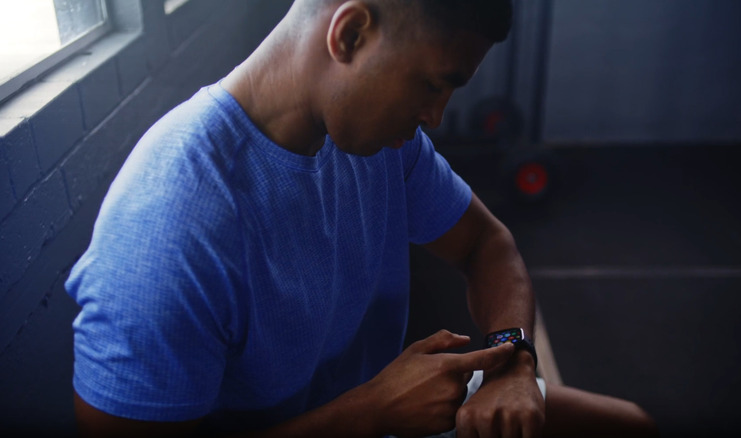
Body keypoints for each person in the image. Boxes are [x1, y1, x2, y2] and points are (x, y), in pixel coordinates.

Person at [66, 0, 658, 437]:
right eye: (431, 85)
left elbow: (486, 244)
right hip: (369, 417)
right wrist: (369, 412)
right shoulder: (169, 223)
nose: (436, 116)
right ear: (350, 34)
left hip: (385, 415)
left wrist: (512, 363)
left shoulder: (379, 143)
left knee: (627, 427)